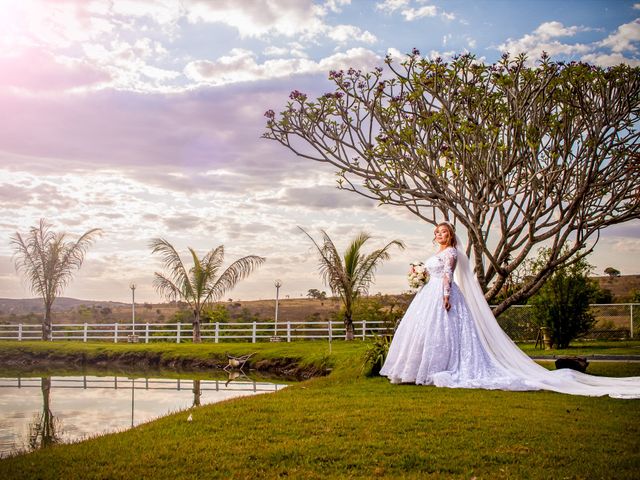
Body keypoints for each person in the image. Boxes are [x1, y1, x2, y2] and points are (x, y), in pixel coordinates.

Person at [380, 221, 640, 398]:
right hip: (428, 293)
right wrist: (419, 275)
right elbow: (433, 272)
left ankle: (435, 369)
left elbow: (448, 275)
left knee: (445, 333)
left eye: (444, 232)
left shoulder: (451, 254)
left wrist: (446, 297)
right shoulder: (436, 253)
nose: (440, 235)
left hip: (441, 294)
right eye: (438, 232)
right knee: (425, 333)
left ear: (451, 236)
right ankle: (416, 370)